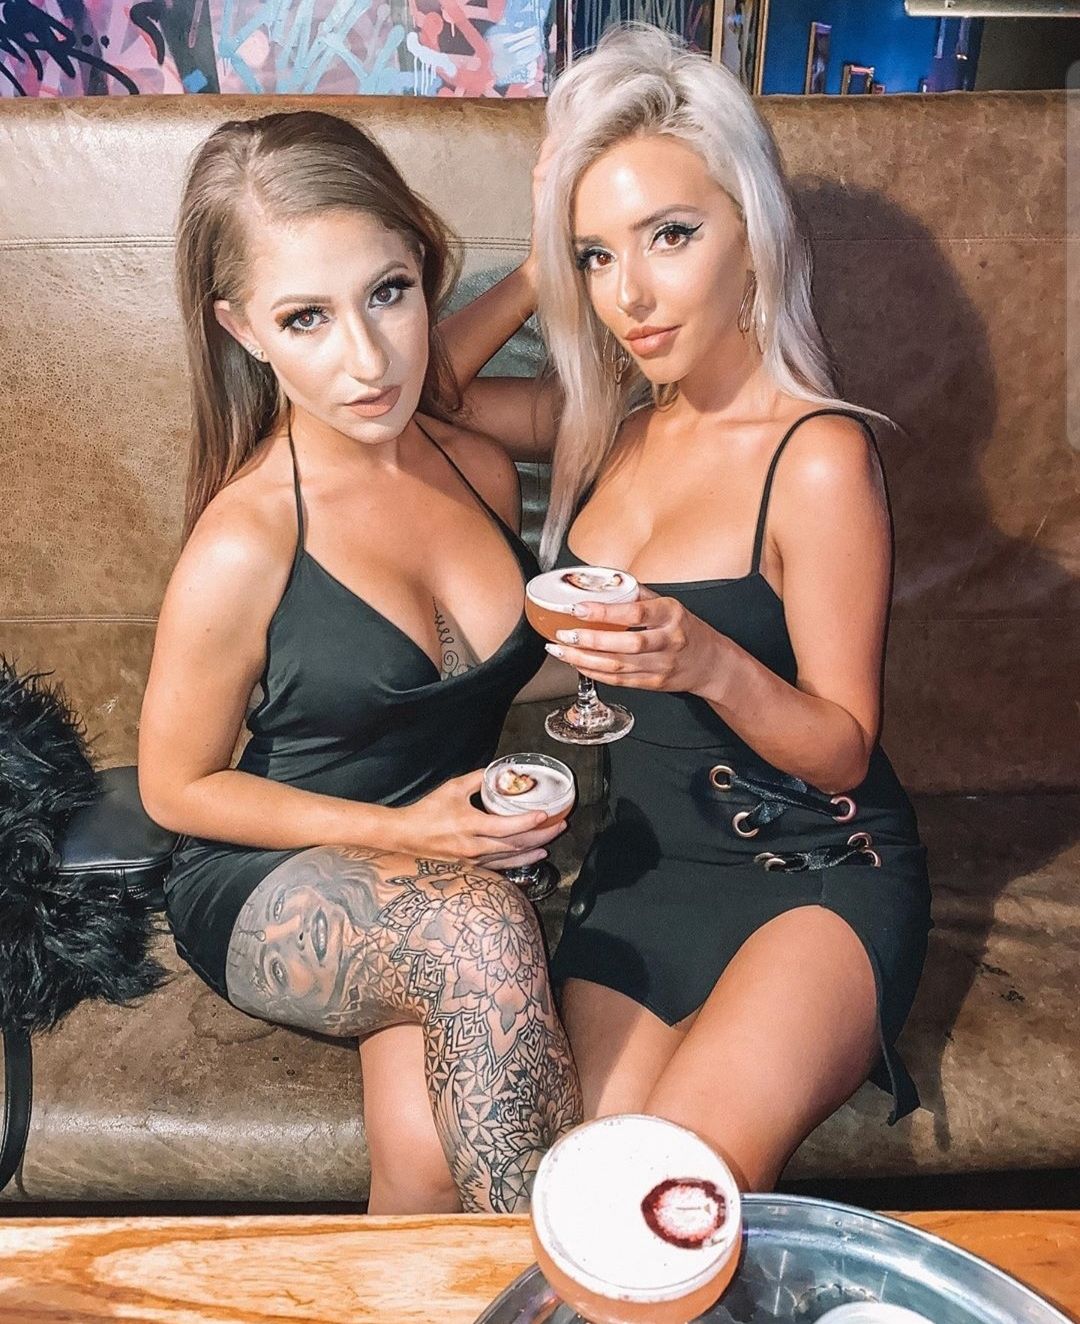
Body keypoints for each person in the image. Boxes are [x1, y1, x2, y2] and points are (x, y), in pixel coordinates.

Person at [452, 25, 932, 1192]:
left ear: (754, 235)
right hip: (647, 865)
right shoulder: (604, 427)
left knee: (667, 1191)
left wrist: (709, 662)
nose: (632, 293)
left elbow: (844, 748)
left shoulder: (819, 457)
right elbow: (418, 394)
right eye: (598, 255)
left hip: (814, 867)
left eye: (671, 235)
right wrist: (541, 253)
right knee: (575, 1190)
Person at [137, 110, 582, 1215]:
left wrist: (541, 268)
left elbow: (492, 673)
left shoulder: (469, 457)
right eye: (306, 318)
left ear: (423, 276)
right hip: (275, 871)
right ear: (244, 330)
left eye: (388, 293)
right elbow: (174, 787)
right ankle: (566, 1284)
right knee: (478, 931)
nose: (367, 361)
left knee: (422, 1160)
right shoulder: (246, 540)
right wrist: (406, 831)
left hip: (453, 861)